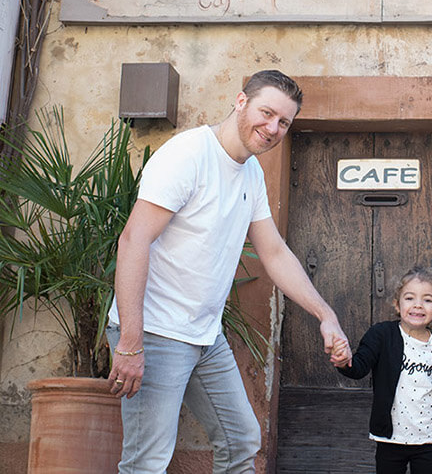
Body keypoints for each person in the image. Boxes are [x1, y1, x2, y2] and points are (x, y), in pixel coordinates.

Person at [106, 69, 352, 473]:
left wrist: (326, 315)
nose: (272, 128)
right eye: (266, 113)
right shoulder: (188, 155)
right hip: (155, 331)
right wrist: (131, 342)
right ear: (241, 102)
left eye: (284, 122)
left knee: (241, 440)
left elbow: (273, 253)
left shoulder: (251, 172)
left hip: (205, 335)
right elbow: (133, 241)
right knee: (146, 462)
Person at [335, 266, 432, 474]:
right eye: (410, 298)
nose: (418, 305)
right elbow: (359, 367)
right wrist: (344, 362)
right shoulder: (382, 335)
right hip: (391, 437)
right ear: (397, 304)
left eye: (427, 300)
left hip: (430, 437)